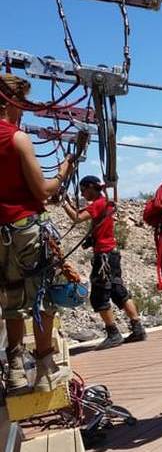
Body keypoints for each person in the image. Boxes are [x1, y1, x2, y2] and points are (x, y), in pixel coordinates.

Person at [0, 74, 73, 393]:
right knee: (42, 295)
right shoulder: (16, 139)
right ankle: (45, 370)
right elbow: (42, 191)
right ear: (9, 103)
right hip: (27, 228)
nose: (23, 113)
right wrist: (63, 172)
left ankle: (14, 370)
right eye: (21, 106)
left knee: (11, 300)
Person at [62, 176, 146, 350]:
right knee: (118, 291)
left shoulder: (98, 204)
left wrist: (63, 204)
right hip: (112, 254)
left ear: (91, 187)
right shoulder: (106, 202)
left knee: (99, 296)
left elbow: (77, 218)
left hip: (104, 257)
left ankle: (113, 333)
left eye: (84, 190)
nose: (83, 194)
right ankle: (138, 328)